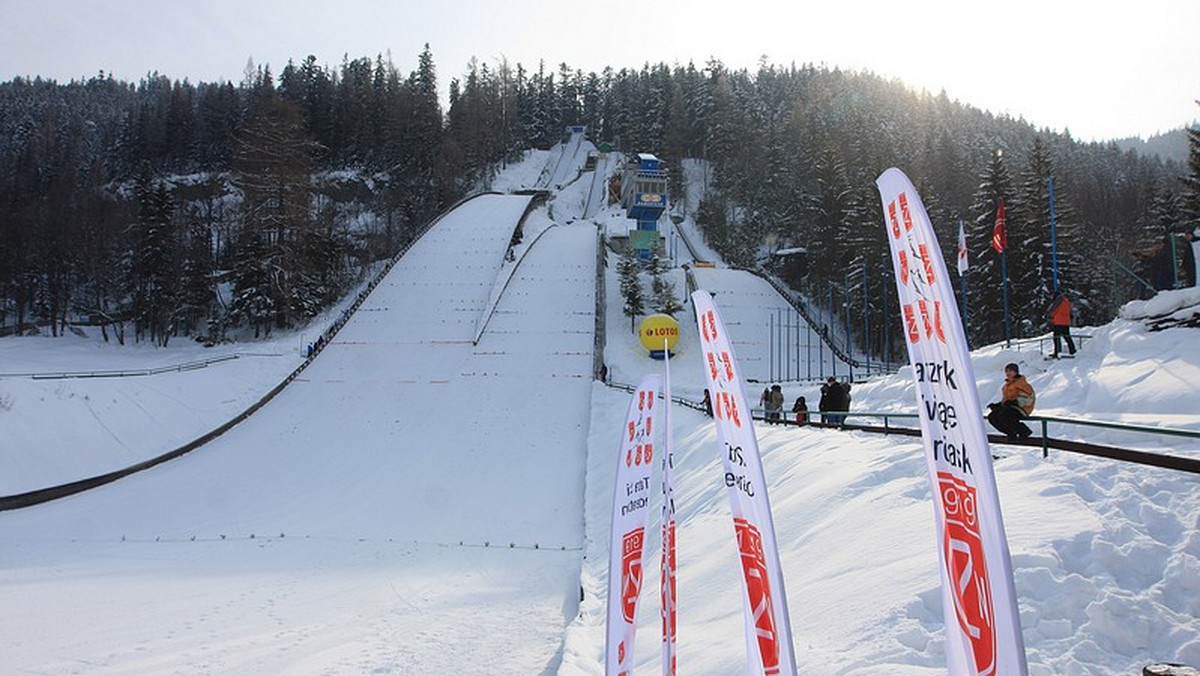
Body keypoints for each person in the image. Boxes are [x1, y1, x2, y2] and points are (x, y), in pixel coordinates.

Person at [987, 362, 1036, 440]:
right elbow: (1006, 400)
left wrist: (1016, 401)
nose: (1008, 373)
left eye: (1010, 371)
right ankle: (1010, 432)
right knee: (992, 417)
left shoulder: (1021, 383)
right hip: (1010, 407)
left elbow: (1029, 398)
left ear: (1015, 372)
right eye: (1006, 371)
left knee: (1004, 415)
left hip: (1021, 408)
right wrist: (998, 405)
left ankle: (1024, 430)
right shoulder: (1006, 386)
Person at [1046, 292, 1076, 358]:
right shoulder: (1067, 301)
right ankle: (1072, 350)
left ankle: (1056, 352)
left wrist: (1050, 316)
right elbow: (1070, 312)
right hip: (1066, 322)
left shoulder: (1058, 301)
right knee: (1067, 337)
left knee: (1056, 337)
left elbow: (1053, 310)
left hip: (1058, 322)